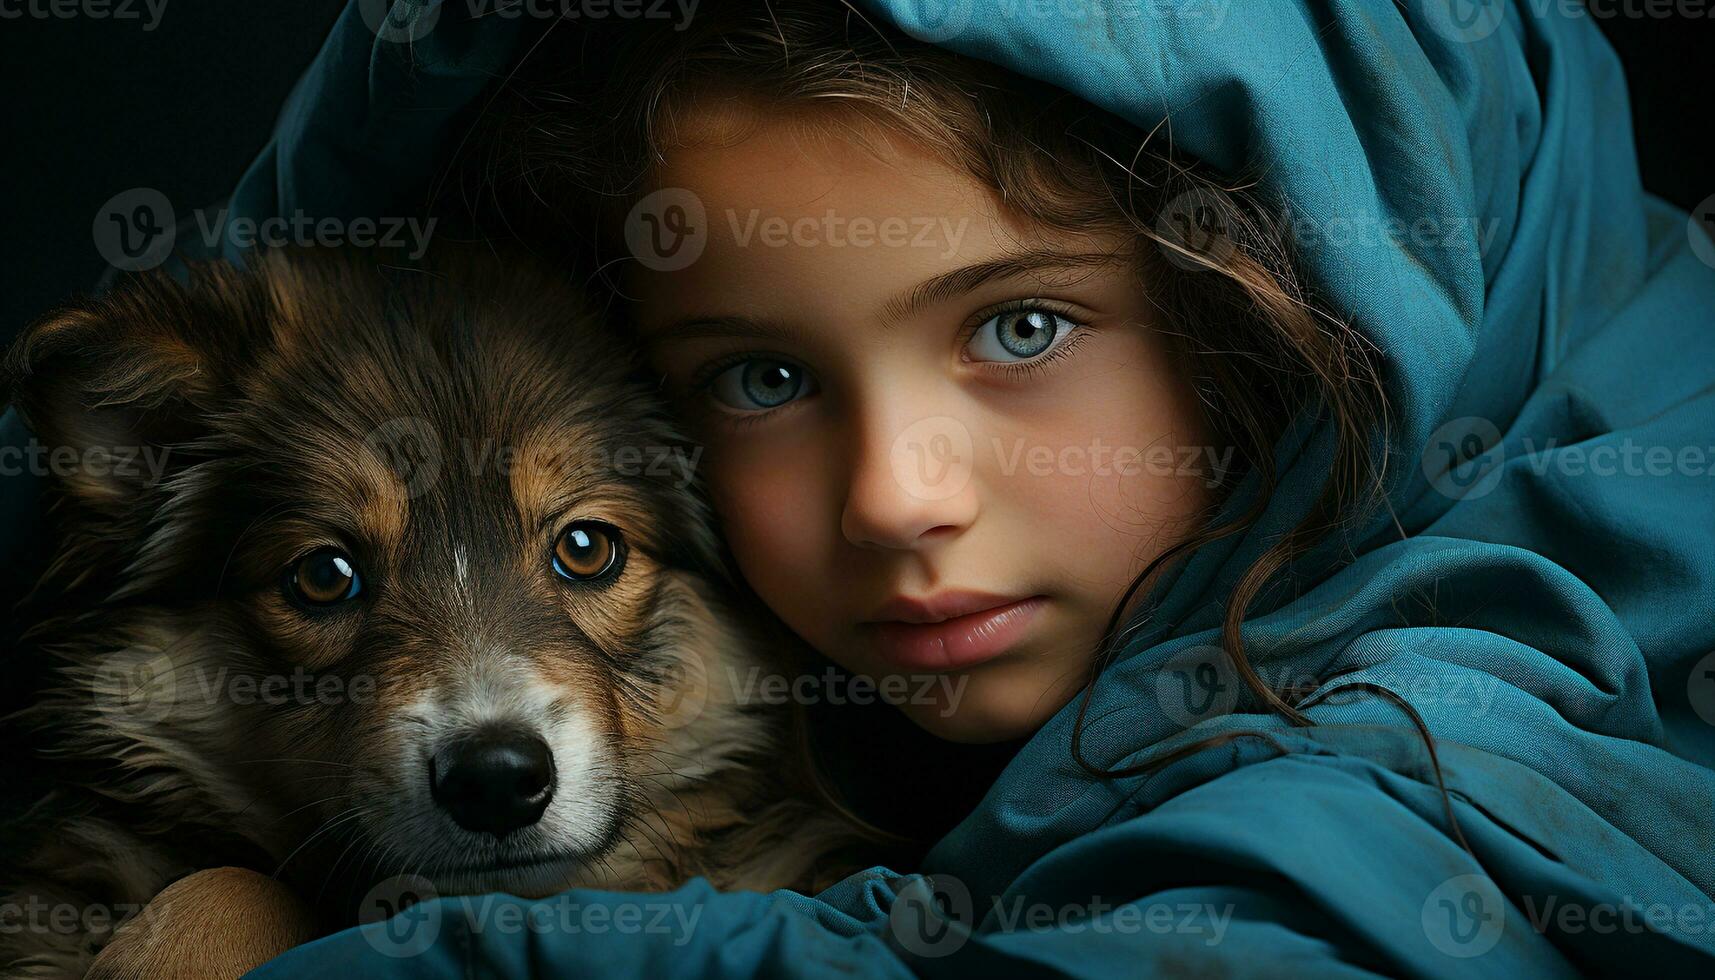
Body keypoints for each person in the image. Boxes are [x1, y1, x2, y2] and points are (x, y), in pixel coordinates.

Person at [13, 1, 1715, 975]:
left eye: (1023, 325)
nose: (894, 496)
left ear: (1271, 309)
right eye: (761, 376)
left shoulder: (1473, 700)